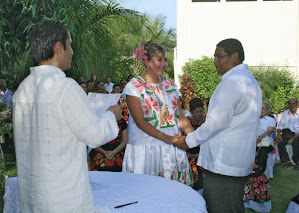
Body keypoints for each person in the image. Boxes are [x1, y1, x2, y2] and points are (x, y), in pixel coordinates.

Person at [12, 19, 123, 212]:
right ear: (58, 47)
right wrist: (111, 115)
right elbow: (95, 135)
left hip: (31, 197)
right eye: (70, 45)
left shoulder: (23, 88)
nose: (72, 51)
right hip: (64, 199)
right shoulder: (65, 87)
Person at [175, 38, 262, 212]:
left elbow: (216, 122)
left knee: (221, 207)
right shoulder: (247, 80)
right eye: (214, 57)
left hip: (224, 164)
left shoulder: (233, 82)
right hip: (235, 160)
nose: (215, 61)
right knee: (232, 206)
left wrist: (189, 141)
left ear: (234, 57)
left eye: (219, 56)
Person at [122, 40, 194, 185]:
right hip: (146, 152)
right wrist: (167, 138)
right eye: (159, 59)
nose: (163, 64)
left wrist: (194, 137)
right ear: (147, 62)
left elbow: (180, 116)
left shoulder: (171, 85)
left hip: (171, 149)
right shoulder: (134, 87)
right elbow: (140, 122)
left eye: (165, 60)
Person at [276, 98, 299, 170]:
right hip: (289, 133)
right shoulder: (286, 113)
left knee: (296, 142)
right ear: (288, 105)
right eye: (290, 104)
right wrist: (278, 135)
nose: (291, 106)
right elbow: (280, 125)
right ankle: (286, 161)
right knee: (280, 141)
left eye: (293, 104)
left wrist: (293, 138)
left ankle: (298, 162)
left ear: (297, 105)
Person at [187, 98, 205, 192]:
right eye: (196, 112)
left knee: (202, 183)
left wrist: (200, 155)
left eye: (201, 111)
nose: (199, 114)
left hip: (203, 156)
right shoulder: (187, 122)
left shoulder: (207, 122)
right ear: (191, 112)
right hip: (189, 157)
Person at [255, 101, 276, 175]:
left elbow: (270, 131)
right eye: (260, 108)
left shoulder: (271, 120)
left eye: (263, 108)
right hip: (253, 141)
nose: (261, 110)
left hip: (266, 141)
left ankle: (259, 171)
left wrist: (261, 136)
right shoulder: (253, 118)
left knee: (262, 152)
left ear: (267, 111)